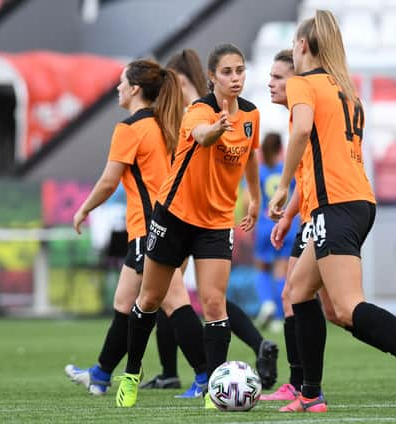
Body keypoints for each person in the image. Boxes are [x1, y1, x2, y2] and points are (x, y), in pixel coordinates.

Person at [268, 10, 396, 416]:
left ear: (301, 46)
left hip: (335, 204)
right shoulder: (346, 90)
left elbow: (300, 131)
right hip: (348, 201)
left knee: (349, 304)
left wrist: (281, 188)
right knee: (299, 292)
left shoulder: (304, 83)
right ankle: (311, 393)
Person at [114, 43, 261, 408]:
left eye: (240, 70)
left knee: (214, 304)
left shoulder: (252, 115)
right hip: (175, 216)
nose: (235, 78)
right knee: (149, 299)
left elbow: (249, 154)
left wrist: (255, 196)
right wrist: (217, 127)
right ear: (211, 77)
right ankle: (131, 374)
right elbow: (202, 137)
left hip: (215, 222)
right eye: (227, 72)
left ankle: (214, 389)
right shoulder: (198, 111)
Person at [65, 59, 200, 396]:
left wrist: (83, 209)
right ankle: (100, 374)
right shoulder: (167, 122)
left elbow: (109, 181)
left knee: (173, 300)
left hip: (151, 229)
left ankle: (207, 376)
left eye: (122, 82)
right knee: (125, 303)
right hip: (169, 224)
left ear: (135, 89)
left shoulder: (130, 128)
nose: (117, 87)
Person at [259, 49, 341, 402]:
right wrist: (290, 214)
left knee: (341, 310)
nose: (270, 83)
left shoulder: (305, 120)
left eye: (279, 77)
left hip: (325, 215)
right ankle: (300, 385)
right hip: (308, 216)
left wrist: (290, 206)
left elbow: (309, 178)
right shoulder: (296, 121)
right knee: (293, 296)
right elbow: (305, 181)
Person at [253, 131, 297, 329]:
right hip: (286, 224)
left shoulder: (259, 171)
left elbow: (248, 199)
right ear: (281, 148)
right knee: (281, 272)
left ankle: (267, 304)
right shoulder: (288, 171)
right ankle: (280, 316)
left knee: (262, 267)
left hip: (264, 224)